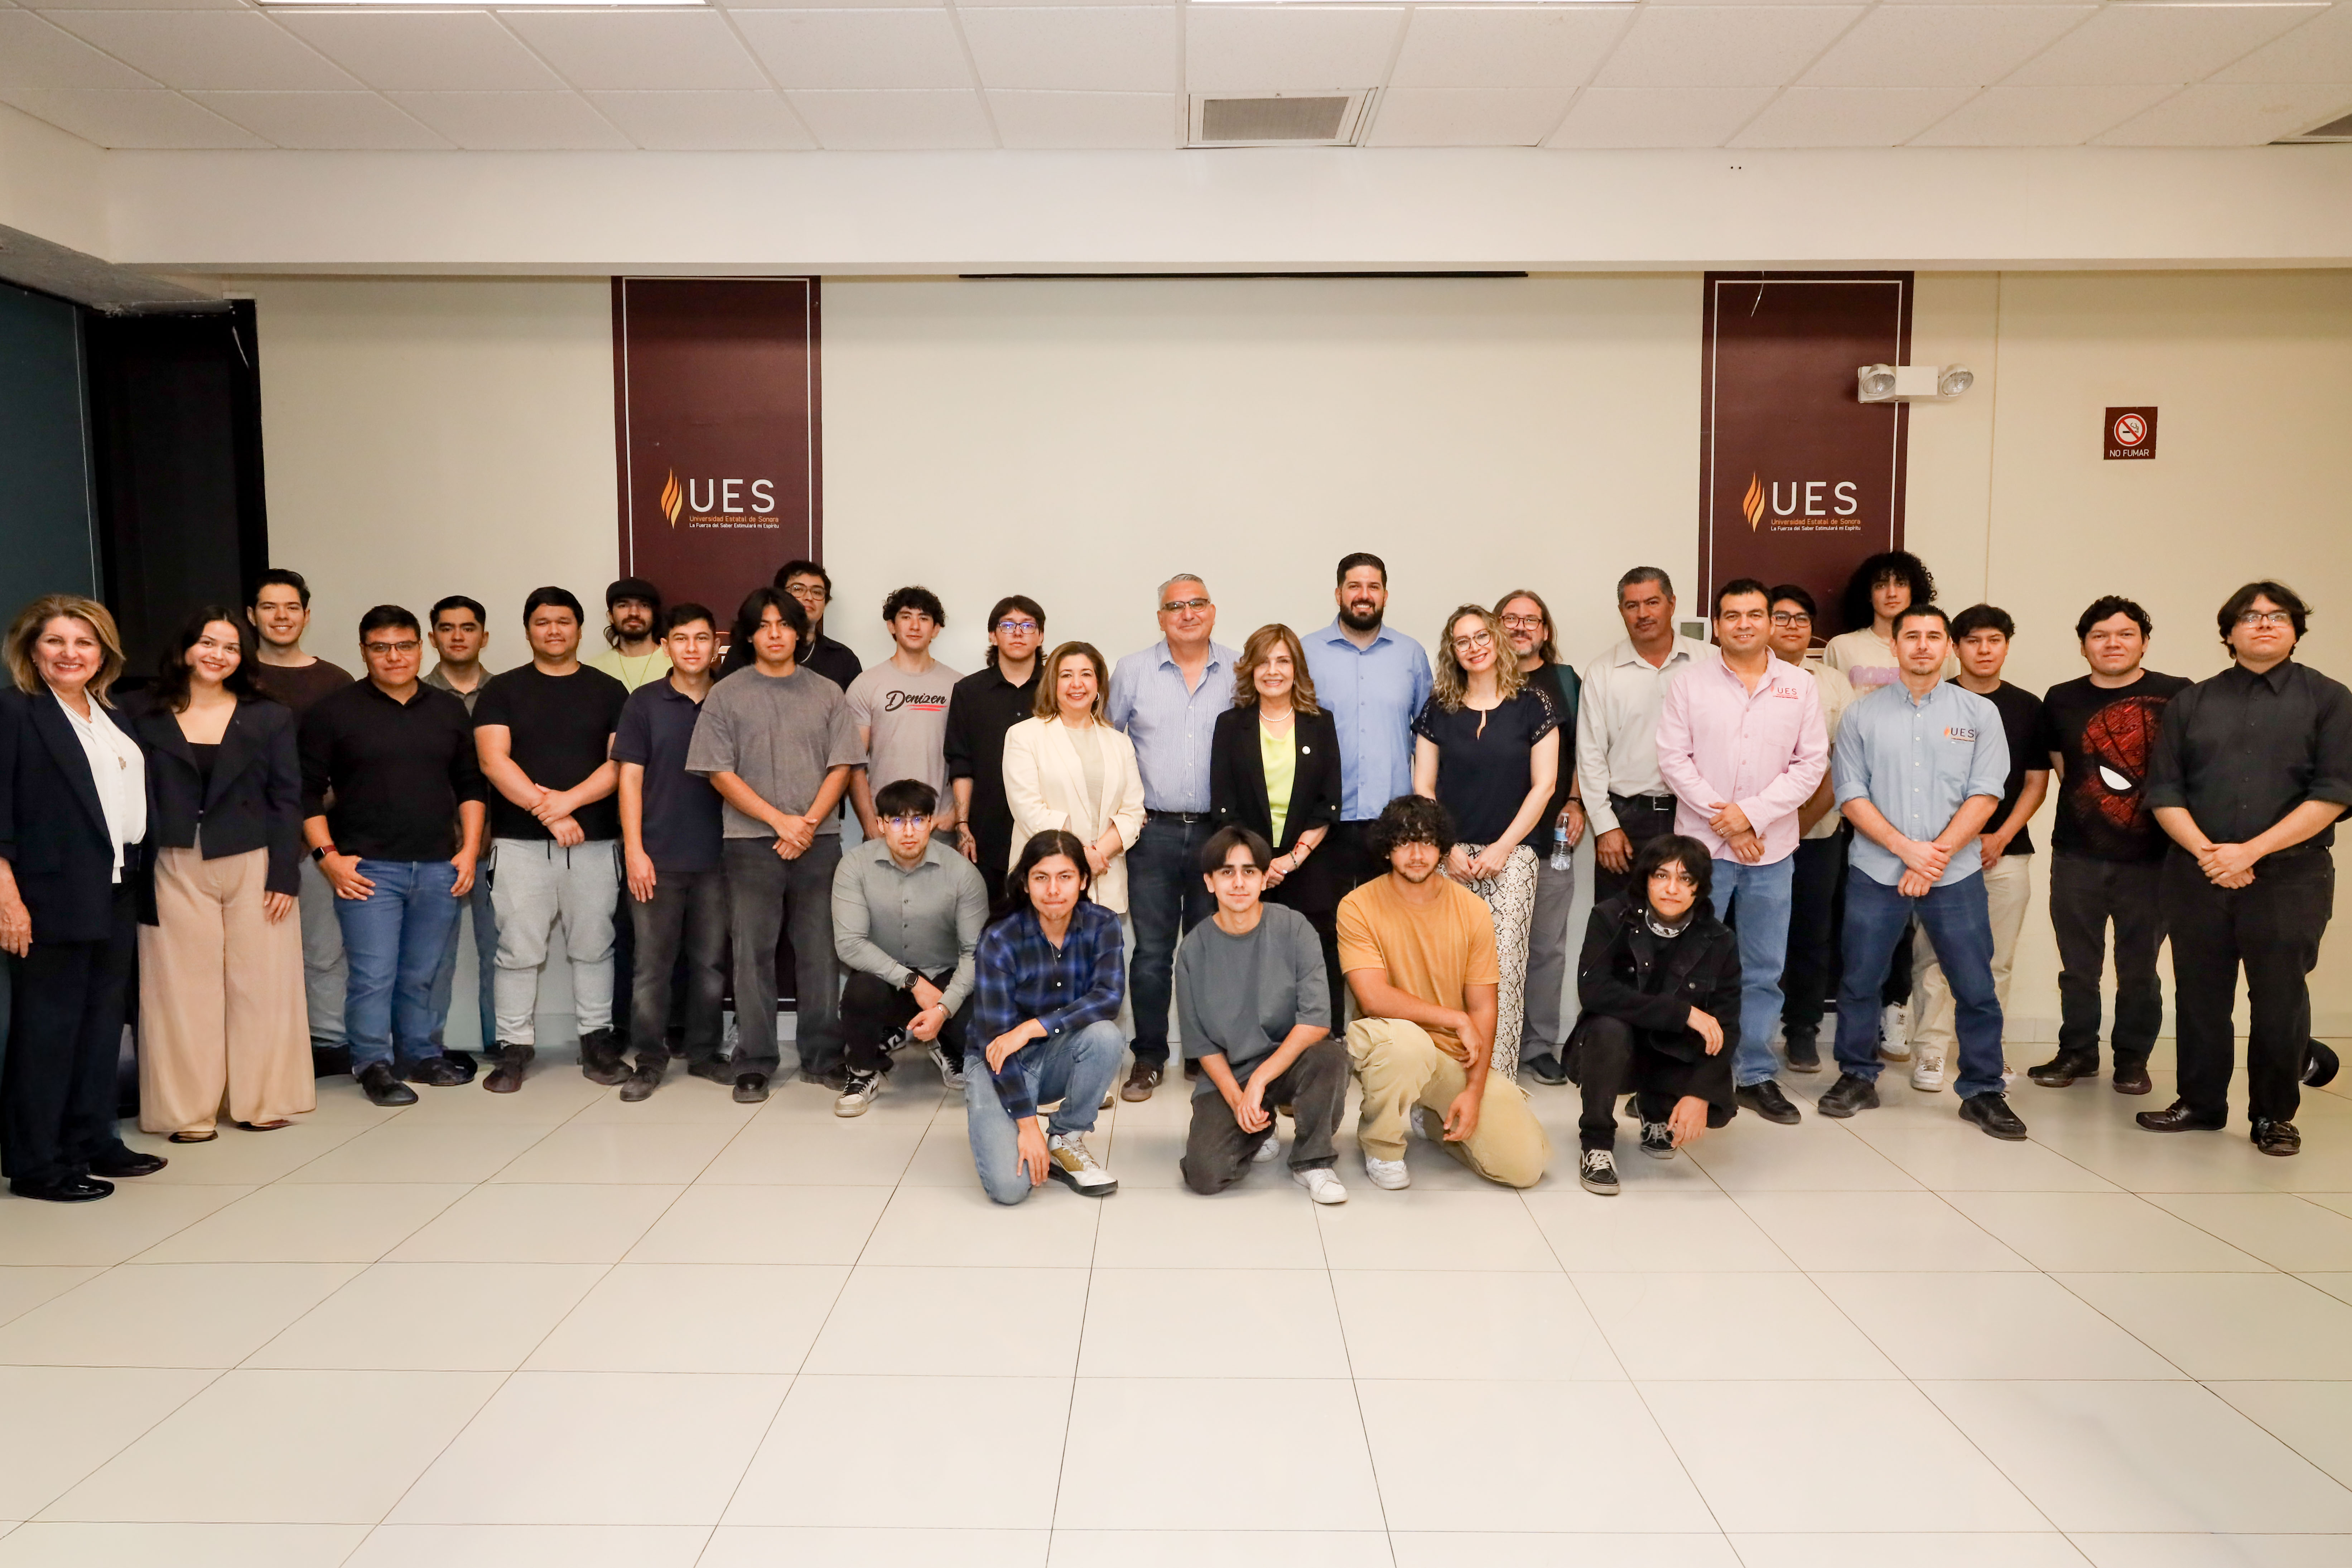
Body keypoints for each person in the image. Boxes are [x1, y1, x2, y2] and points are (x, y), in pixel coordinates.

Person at [2141, 582, 2352, 1157]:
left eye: (2278, 615)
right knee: (2200, 995)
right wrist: (2212, 853)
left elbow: (2334, 794)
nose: (2264, 623)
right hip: (2197, 873)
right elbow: (2165, 792)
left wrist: (2249, 851)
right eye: (2251, 616)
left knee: (2280, 1000)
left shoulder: (2330, 698)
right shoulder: (2192, 702)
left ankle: (2273, 1115)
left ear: (2296, 630)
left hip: (2291, 877)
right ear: (2229, 632)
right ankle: (2201, 1103)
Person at [1821, 606, 2028, 1140]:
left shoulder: (1980, 713)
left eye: (1933, 636)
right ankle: (1857, 1075)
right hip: (1877, 869)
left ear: (1949, 646)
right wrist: (1905, 850)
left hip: (1954, 873)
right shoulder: (1862, 715)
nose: (1921, 645)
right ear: (1894, 646)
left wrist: (1934, 854)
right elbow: (1850, 793)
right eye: (1910, 635)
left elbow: (1987, 793)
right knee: (1860, 979)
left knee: (1974, 983)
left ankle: (1982, 1089)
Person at [0, 596, 166, 1202]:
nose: (70, 653)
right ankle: (37, 1163)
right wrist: (8, 899)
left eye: (85, 642)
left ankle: (93, 1139)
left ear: (104, 654)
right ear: (31, 649)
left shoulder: (110, 714)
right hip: (48, 894)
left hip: (116, 886)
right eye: (56, 641)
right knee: (48, 1031)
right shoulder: (15, 711)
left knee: (100, 1025)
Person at [130, 608, 310, 1143]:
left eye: (231, 647)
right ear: (186, 648)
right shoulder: (140, 711)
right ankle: (189, 1111)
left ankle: (261, 1100)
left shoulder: (269, 716)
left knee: (262, 983)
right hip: (173, 860)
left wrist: (285, 873)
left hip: (255, 859)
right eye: (208, 643)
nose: (218, 655)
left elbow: (288, 798)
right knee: (182, 990)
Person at [1654, 577, 1826, 1126]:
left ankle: (1753, 1073)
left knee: (1762, 968)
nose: (1744, 624)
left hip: (1770, 852)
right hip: (1701, 852)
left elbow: (1810, 764)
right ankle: (1676, 1074)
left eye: (1755, 614)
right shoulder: (1689, 683)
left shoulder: (1800, 685)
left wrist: (1749, 815)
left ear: (1770, 622)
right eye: (1732, 615)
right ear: (1717, 624)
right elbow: (1673, 759)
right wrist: (1728, 822)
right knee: (1685, 966)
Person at [302, 606, 489, 1108]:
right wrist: (328, 857)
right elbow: (305, 791)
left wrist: (469, 850)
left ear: (421, 647)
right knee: (373, 975)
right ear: (364, 651)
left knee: (422, 972)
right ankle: (373, 1064)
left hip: (438, 865)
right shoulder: (334, 711)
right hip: (367, 869)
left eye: (404, 645)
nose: (394, 656)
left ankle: (420, 1055)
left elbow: (470, 785)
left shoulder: (447, 710)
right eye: (381, 647)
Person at [686, 587, 862, 1100]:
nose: (775, 634)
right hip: (750, 843)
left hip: (818, 842)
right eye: (763, 625)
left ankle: (823, 1055)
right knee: (752, 954)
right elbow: (718, 771)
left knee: (820, 952)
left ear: (800, 631)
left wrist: (806, 823)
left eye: (784, 624)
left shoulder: (827, 692)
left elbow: (842, 765)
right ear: (749, 635)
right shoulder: (726, 693)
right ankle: (756, 1059)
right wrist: (779, 822)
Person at [1338, 794, 1550, 1191]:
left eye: (1426, 841)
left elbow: (1484, 1007)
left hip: (1449, 1055)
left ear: (1442, 846)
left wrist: (1474, 1089)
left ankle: (1432, 1118)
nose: (1417, 854)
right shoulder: (1357, 905)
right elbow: (1373, 997)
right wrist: (1454, 1018)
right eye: (1404, 842)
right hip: (1386, 1040)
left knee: (1524, 1167)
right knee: (1408, 1046)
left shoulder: (1472, 910)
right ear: (1387, 849)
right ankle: (1382, 1146)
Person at [2028, 596, 2191, 1094]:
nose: (2112, 643)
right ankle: (2077, 1051)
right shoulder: (2060, 698)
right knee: (2078, 967)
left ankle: (2132, 1058)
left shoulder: (2178, 693)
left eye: (2125, 634)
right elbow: (2065, 767)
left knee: (2139, 968)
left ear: (2144, 641)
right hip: (2077, 854)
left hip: (2153, 858)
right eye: (2099, 635)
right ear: (2083, 646)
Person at [472, 587, 629, 1094]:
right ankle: (513, 1047)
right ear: (527, 630)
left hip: (595, 842)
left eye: (564, 621)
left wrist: (568, 804)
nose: (554, 630)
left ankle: (596, 1042)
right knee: (517, 950)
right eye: (542, 622)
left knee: (594, 946)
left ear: (580, 629)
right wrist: (550, 813)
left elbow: (619, 764)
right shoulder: (502, 690)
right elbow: (493, 760)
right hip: (519, 844)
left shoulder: (609, 690)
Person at [1411, 603, 1562, 1082]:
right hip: (1448, 857)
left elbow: (1545, 785)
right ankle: (1444, 1082)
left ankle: (1495, 1085)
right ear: (1452, 651)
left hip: (1512, 857)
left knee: (1503, 972)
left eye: (1481, 636)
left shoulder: (1534, 703)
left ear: (1496, 639)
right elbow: (1423, 785)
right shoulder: (1439, 707)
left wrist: (1503, 847)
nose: (1474, 647)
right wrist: (1446, 846)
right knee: (1446, 970)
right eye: (1463, 641)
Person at [1108, 574, 1238, 1101]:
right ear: (1161, 617)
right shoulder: (1132, 671)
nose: (1188, 613)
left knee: (1211, 951)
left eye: (1197, 603)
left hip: (1217, 833)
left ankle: (1204, 1056)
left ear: (1213, 610)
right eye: (1175, 606)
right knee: (1152, 953)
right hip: (1152, 832)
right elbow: (1107, 743)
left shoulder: (1240, 668)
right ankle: (1148, 1057)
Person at [1907, 605, 2048, 1091]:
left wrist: (2001, 835)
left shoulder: (2028, 706)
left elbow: (2035, 782)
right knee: (1933, 957)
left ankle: (1987, 1053)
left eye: (1994, 640)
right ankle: (1929, 1050)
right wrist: (1955, 841)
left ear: (2007, 645)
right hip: (1942, 854)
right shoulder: (1934, 701)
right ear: (1955, 647)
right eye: (1973, 641)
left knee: (1995, 959)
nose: (1984, 650)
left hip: (2007, 851)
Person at [1822, 550, 1951, 1059]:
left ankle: (1897, 1009)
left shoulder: (1933, 642)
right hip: (1858, 800)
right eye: (1882, 583)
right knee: (1864, 919)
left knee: (1917, 924)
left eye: (1901, 583)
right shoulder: (1843, 646)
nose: (1892, 592)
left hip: (1921, 801)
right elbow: (1832, 716)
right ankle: (1860, 1027)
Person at [1177, 827, 1349, 1204]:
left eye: (1249, 871)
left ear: (1264, 877)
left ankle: (1313, 1160)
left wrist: (1259, 1080)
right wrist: (1238, 1098)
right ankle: (1260, 1127)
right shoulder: (1193, 950)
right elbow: (1201, 1044)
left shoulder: (1295, 928)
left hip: (1292, 1059)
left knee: (1331, 1056)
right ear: (1209, 882)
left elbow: (1316, 1020)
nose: (1239, 883)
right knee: (1205, 1175)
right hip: (1231, 1070)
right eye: (1227, 872)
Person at [1563, 835, 1739, 1196]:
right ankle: (1596, 1142)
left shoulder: (1719, 939)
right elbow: (1593, 991)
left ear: (1700, 888)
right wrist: (1682, 1012)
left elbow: (1727, 1026)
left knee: (1707, 1039)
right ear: (1645, 878)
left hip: (1671, 1053)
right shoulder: (1610, 916)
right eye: (1662, 875)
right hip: (1618, 1050)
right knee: (1607, 1027)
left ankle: (1655, 1108)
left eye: (1686, 879)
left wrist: (1700, 1094)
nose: (1672, 888)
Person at [966, 830, 1126, 1202]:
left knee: (1106, 1035)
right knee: (1010, 1189)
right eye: (1041, 877)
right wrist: (1027, 1126)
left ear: (1083, 880)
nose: (1053, 889)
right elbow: (996, 1039)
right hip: (997, 1061)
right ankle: (1013, 1123)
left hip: (1056, 1054)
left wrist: (1031, 1028)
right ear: (1025, 883)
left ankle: (1065, 1136)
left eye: (1065, 876)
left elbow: (1108, 999)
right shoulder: (1000, 938)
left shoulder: (1103, 924)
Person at [614, 603, 728, 1102]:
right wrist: (634, 850)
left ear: (716, 645)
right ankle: (649, 1059)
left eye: (701, 638)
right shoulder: (643, 703)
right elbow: (629, 780)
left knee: (710, 964)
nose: (692, 648)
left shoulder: (730, 698)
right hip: (656, 858)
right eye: (681, 638)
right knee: (651, 967)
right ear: (666, 646)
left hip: (720, 858)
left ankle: (703, 1053)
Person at [246, 568, 355, 1075]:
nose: (282, 616)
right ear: (252, 615)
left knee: (324, 948)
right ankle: (263, 1051)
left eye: (291, 607)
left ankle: (328, 1043)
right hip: (248, 838)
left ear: (307, 615)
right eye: (270, 607)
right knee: (254, 952)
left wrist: (315, 817)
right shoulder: (233, 673)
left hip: (319, 836)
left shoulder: (336, 682)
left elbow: (351, 764)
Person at [832, 777, 989, 1114]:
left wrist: (943, 1007)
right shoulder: (854, 866)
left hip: (946, 979)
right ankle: (863, 1070)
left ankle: (945, 1042)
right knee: (860, 992)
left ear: (931, 822)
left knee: (978, 1026)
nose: (908, 832)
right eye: (897, 821)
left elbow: (975, 953)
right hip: (885, 981)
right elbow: (850, 944)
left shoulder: (962, 873)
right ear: (880, 824)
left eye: (918, 820)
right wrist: (913, 982)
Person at [1209, 624, 1344, 1014]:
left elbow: (1328, 804)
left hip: (1309, 862)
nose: (1273, 671)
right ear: (1250, 669)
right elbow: (1224, 806)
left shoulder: (1320, 723)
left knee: (1316, 951)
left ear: (1296, 669)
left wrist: (1291, 860)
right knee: (1249, 957)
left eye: (1283, 661)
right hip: (1247, 867)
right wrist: (1258, 864)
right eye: (1264, 662)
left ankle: (1325, 1034)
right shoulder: (1230, 725)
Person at [1003, 641, 1143, 994]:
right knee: (1042, 987)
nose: (1076, 684)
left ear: (1099, 684)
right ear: (1052, 682)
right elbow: (1029, 809)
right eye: (1066, 675)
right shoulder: (1025, 736)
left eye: (1086, 674)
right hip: (1046, 881)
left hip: (1104, 881)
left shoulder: (1119, 742)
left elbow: (1133, 811)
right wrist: (1082, 857)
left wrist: (1097, 854)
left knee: (1099, 987)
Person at [1494, 588, 1587, 1088]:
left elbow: (1585, 751)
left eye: (1530, 619)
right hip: (1488, 840)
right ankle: (1491, 1042)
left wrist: (1576, 801)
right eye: (1510, 618)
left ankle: (1536, 1045)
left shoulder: (1566, 682)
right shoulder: (1477, 680)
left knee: (1546, 945)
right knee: (1487, 947)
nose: (1520, 627)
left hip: (1553, 837)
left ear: (1545, 631)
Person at [1576, 568, 1714, 903]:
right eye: (1632, 605)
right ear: (1622, 611)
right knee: (1620, 921)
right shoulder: (1602, 671)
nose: (1643, 614)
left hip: (1699, 815)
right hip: (1627, 820)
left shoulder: (1711, 661)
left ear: (1672, 604)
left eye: (1652, 602)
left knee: (1694, 920)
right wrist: (1605, 826)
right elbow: (1591, 755)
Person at [1303, 552, 1432, 897]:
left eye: (1373, 587)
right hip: (1322, 820)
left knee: (1392, 922)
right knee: (1324, 922)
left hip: (1393, 821)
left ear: (1385, 595)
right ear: (1338, 594)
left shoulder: (1411, 654)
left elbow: (1428, 739)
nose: (1364, 595)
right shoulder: (1306, 653)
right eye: (1354, 586)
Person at [1766, 585, 1855, 1077]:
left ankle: (1802, 1028)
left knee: (1810, 935)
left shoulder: (1835, 684)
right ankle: (1739, 1031)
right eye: (1781, 617)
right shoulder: (1738, 676)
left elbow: (1843, 762)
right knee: (1746, 935)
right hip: (1750, 836)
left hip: (1816, 832)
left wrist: (1797, 827)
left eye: (1802, 618)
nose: (1792, 626)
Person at [423, 594, 497, 1069]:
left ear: (483, 637)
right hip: (434, 844)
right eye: (447, 628)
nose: (457, 636)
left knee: (502, 952)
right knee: (433, 956)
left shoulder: (506, 692)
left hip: (500, 842)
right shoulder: (413, 694)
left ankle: (502, 1044)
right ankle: (425, 1048)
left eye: (467, 627)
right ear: (433, 637)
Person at [945, 595, 1045, 906]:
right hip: (986, 835)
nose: (1018, 633)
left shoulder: (1058, 690)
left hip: (1047, 829)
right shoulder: (968, 692)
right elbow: (961, 764)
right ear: (993, 635)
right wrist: (963, 826)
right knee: (990, 925)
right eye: (1008, 625)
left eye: (1028, 625)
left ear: (1041, 636)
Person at [846, 586, 963, 840]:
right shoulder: (866, 685)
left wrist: (953, 816)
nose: (915, 626)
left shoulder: (960, 687)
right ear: (892, 626)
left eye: (924, 618)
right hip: (886, 826)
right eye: (906, 617)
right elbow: (854, 764)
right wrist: (870, 825)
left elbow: (971, 760)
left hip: (939, 827)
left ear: (936, 629)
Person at [585, 576, 670, 691]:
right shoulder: (593, 669)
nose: (634, 613)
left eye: (644, 605)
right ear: (611, 616)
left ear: (654, 616)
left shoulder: (676, 664)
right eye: (623, 605)